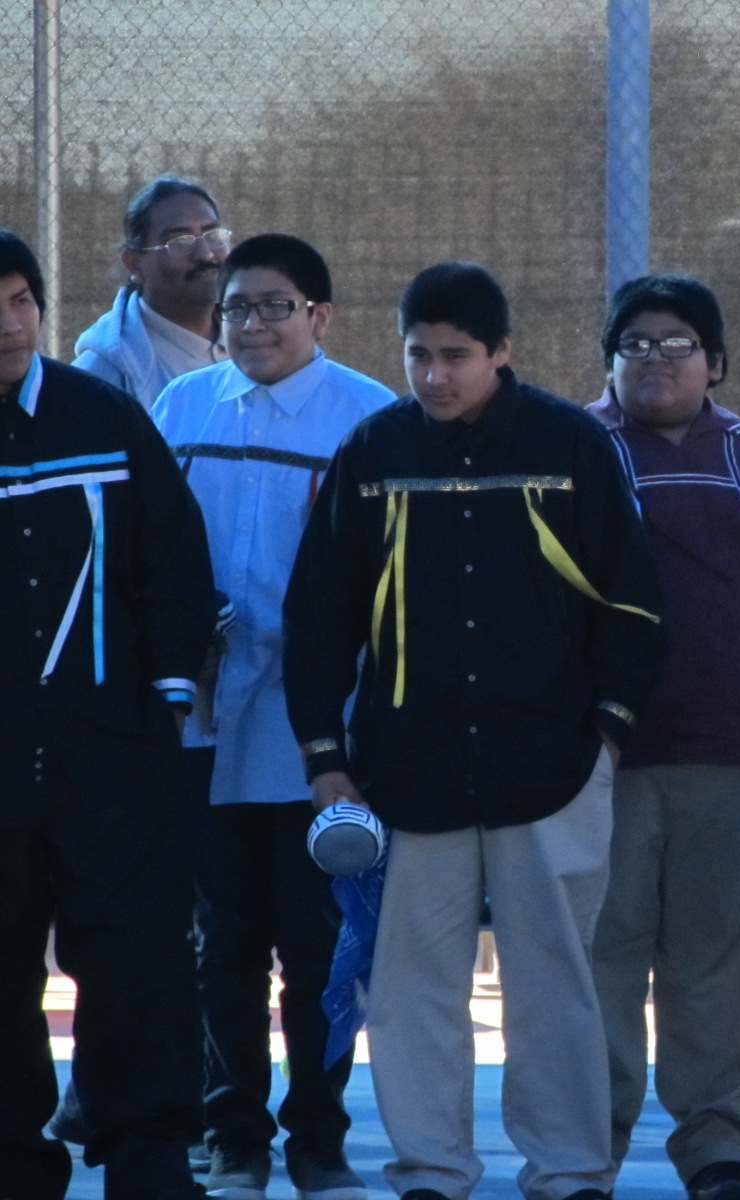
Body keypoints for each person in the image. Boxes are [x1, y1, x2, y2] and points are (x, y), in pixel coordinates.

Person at [282, 261, 665, 1200]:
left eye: (458, 356)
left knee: (556, 985)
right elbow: (317, 620)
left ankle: (571, 1171)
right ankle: (430, 1171)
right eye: (419, 355)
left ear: (504, 352)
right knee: (410, 991)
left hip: (556, 768)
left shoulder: (572, 444)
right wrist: (326, 762)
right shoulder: (371, 453)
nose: (436, 376)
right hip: (406, 774)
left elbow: (637, 606)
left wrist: (606, 737)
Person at [151, 234, 395, 1200]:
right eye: (237, 307)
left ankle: (319, 1140)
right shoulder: (183, 407)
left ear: (321, 317)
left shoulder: (371, 416)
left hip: (322, 735)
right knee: (222, 944)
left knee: (320, 942)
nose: (250, 324)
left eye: (274, 306)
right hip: (207, 725)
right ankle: (235, 1137)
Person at [585, 274, 740, 1200]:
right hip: (598, 770)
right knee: (596, 967)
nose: (654, 358)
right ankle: (580, 1156)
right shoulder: (573, 451)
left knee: (726, 978)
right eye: (634, 342)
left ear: (715, 362)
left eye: (677, 342)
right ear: (608, 361)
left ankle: (721, 1154)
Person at [0, 228, 214, 1200]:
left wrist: (166, 705)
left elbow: (173, 565)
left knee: (137, 968)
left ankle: (149, 1157)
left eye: (19, 300)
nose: (7, 324)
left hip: (114, 760)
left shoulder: (104, 419)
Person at [74, 175, 230, 409]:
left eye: (213, 235)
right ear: (135, 263)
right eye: (180, 242)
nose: (205, 254)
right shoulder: (103, 377)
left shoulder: (260, 339)